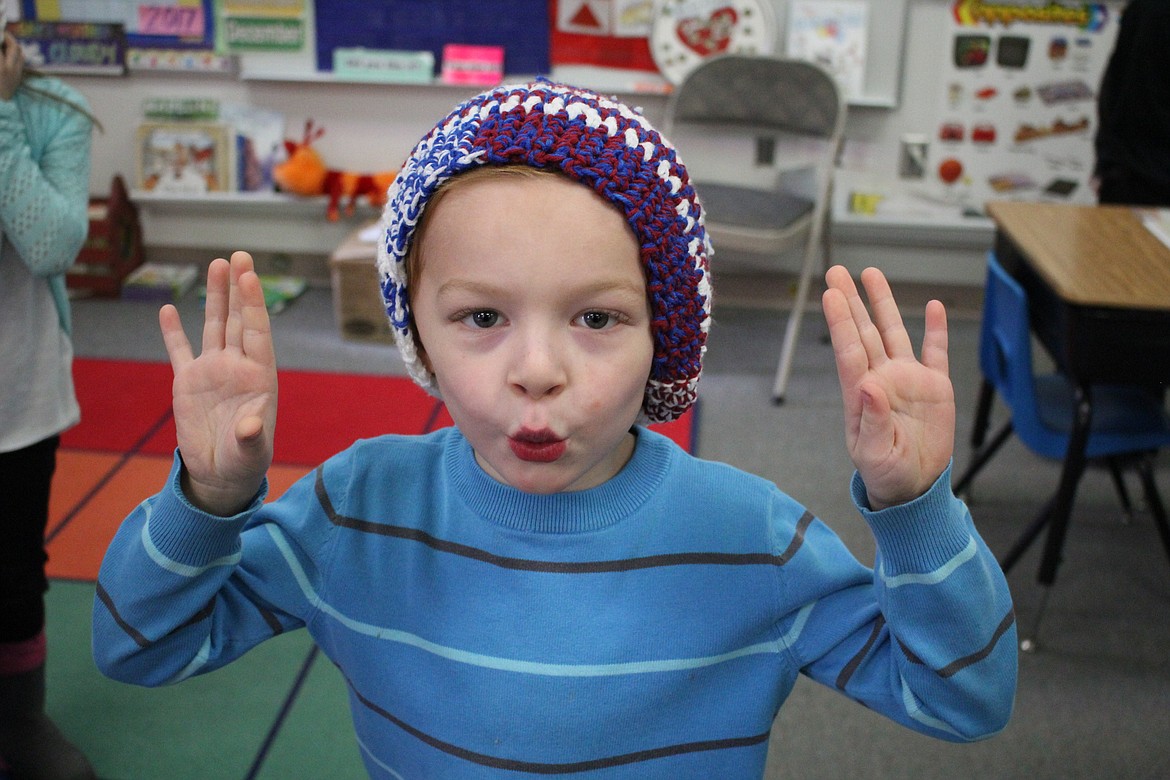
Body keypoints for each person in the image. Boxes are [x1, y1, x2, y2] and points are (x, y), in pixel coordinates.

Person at [92, 82, 1017, 778]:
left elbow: (963, 697)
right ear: (418, 332)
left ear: (667, 340)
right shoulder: (357, 510)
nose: (537, 369)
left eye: (597, 319)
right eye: (482, 318)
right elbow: (140, 648)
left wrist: (914, 508)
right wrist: (207, 501)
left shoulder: (753, 539)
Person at [0, 28, 99, 780]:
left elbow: (52, 246)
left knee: (11, 569)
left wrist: (0, 121)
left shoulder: (50, 110)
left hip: (17, 391)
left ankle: (19, 721)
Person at [1093, 0, 1170, 206]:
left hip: (1127, 172)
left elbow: (1113, 85)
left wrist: (1106, 160)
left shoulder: (1144, 7)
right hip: (1142, 174)